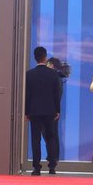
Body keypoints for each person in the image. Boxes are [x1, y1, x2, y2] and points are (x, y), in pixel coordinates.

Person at [24, 46, 63, 175]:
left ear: (35, 58)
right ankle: (52, 166)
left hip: (34, 111)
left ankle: (36, 167)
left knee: (36, 139)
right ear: (45, 57)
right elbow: (56, 93)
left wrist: (26, 111)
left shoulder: (29, 74)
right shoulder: (53, 74)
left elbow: (27, 95)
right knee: (51, 137)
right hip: (50, 110)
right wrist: (57, 110)